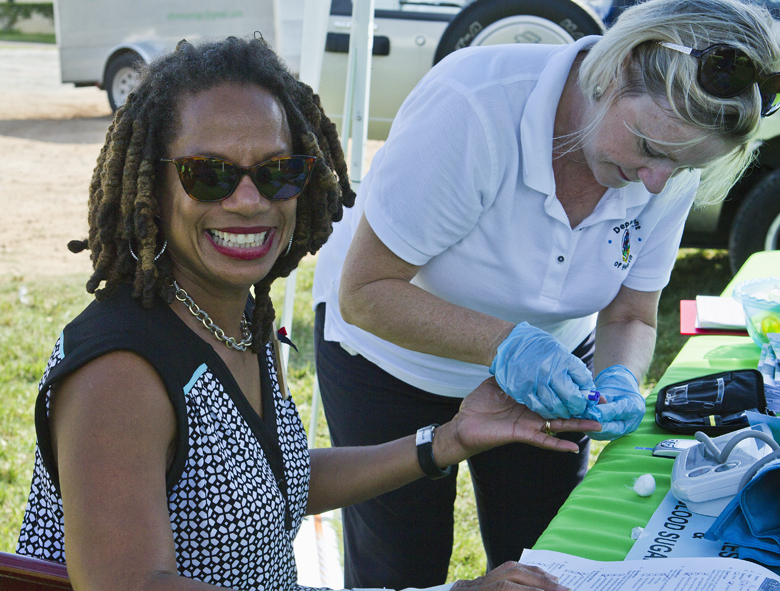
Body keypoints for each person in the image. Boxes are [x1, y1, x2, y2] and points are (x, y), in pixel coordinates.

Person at [14, 36, 601, 591]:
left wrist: (447, 440)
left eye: (278, 172)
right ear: (153, 184)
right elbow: (132, 585)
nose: (248, 201)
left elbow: (277, 481)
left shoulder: (243, 320)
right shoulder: (120, 373)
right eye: (209, 173)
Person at [312, 0, 780, 587]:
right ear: (614, 71)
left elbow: (631, 313)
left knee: (544, 555)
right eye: (651, 150)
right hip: (391, 360)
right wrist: (509, 345)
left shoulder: (669, 159)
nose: (658, 181)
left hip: (550, 369)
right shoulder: (473, 108)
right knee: (400, 566)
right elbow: (367, 292)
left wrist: (619, 379)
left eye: (683, 167)